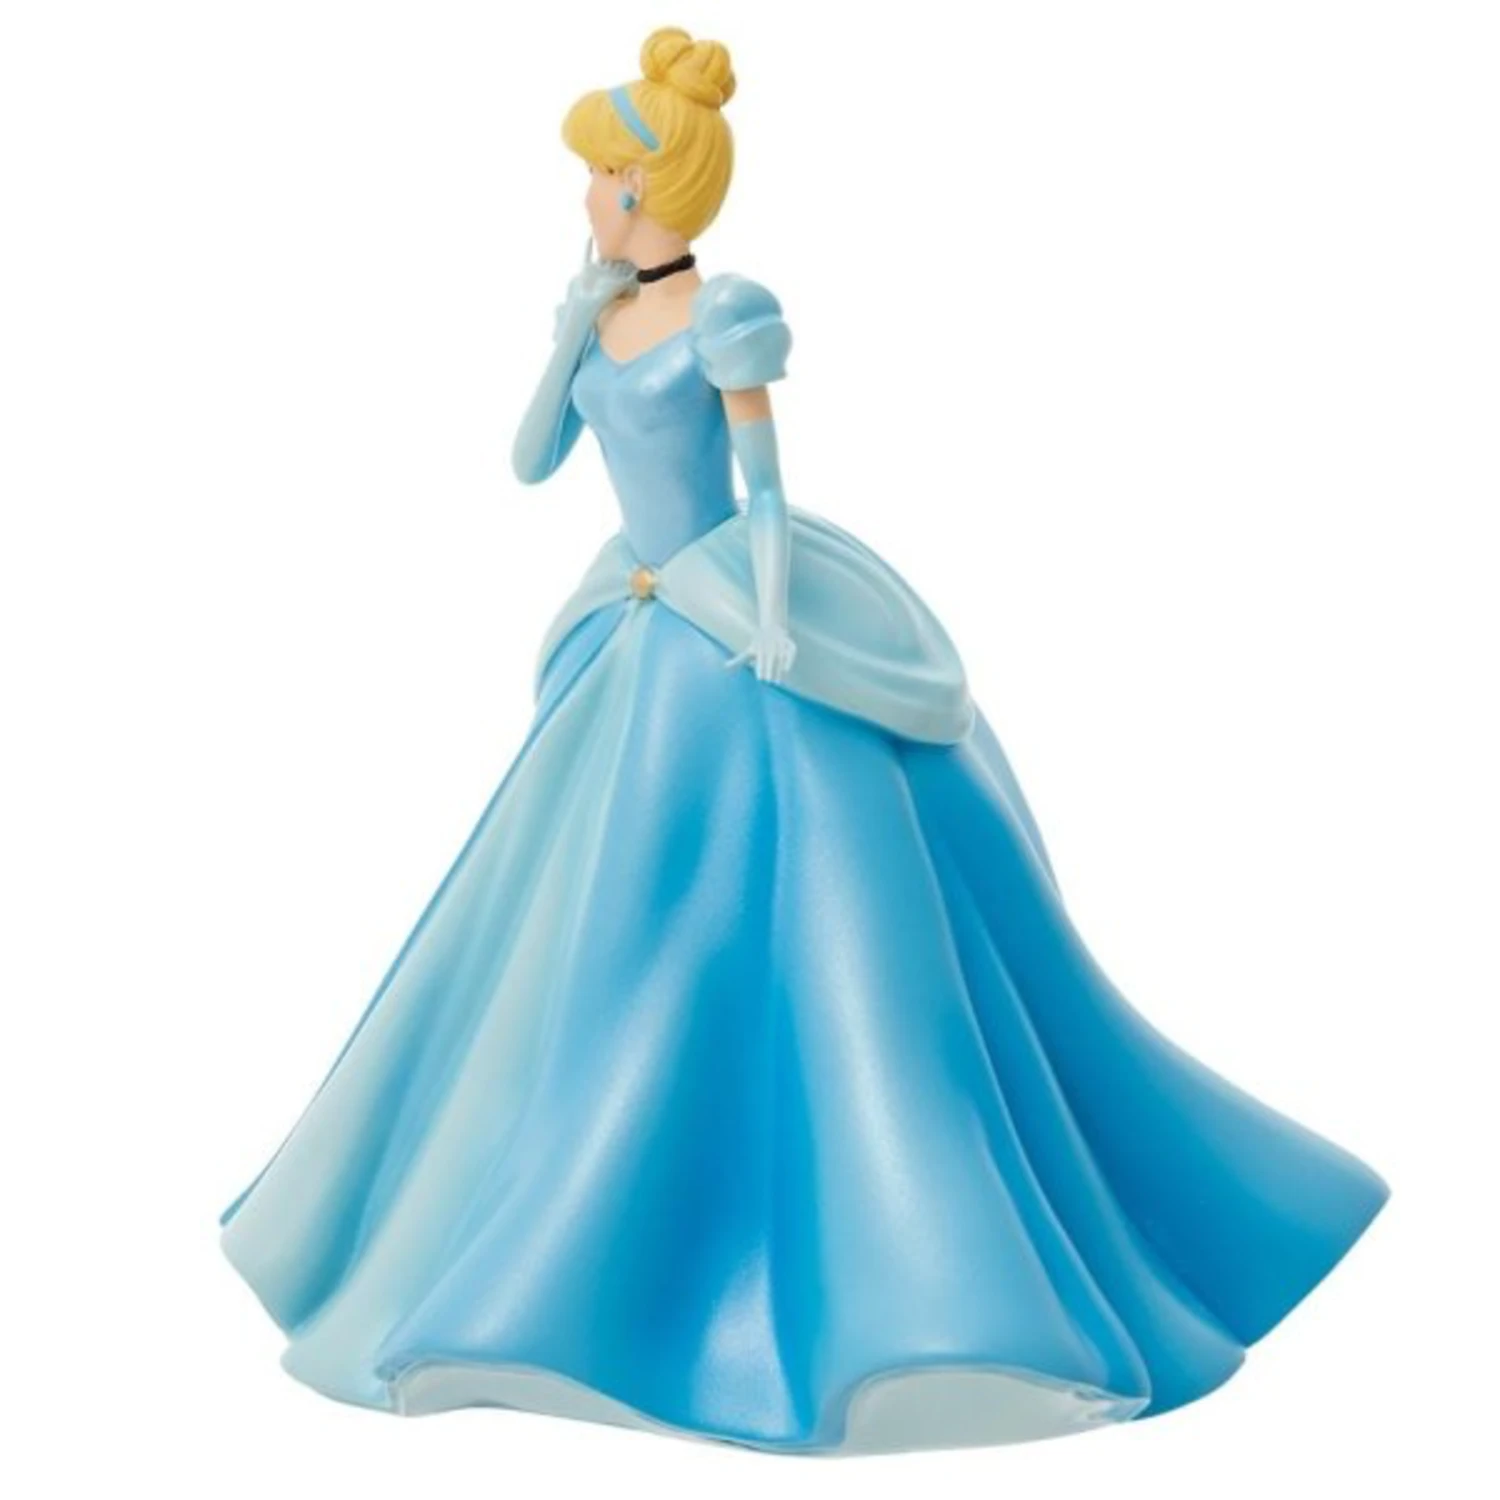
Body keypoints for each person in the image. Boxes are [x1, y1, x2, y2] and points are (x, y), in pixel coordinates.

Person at [219, 26, 1390, 1456]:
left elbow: (764, 490)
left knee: (799, 915)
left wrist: (774, 622)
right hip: (631, 620)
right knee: (557, 925)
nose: (584, 193)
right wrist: (565, 331)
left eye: (599, 172)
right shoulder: (601, 311)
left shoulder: (729, 314)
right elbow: (530, 463)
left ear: (644, 185)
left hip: (726, 618)